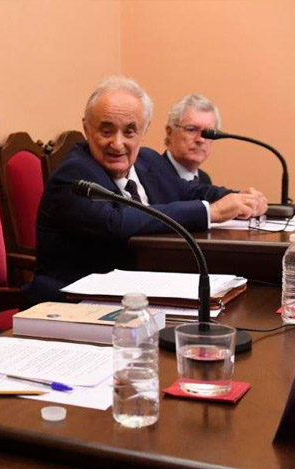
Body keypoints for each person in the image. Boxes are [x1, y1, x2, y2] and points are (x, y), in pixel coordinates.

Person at [31, 76, 268, 302]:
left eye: (129, 131)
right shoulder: (74, 173)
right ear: (87, 128)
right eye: (106, 131)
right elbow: (116, 221)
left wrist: (242, 199)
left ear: (144, 131)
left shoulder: (149, 161)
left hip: (141, 288)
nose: (117, 144)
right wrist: (210, 212)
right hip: (72, 300)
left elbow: (190, 191)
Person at [162, 93, 220, 184]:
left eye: (208, 133)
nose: (201, 139)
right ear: (170, 132)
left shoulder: (204, 180)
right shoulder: (153, 175)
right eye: (192, 130)